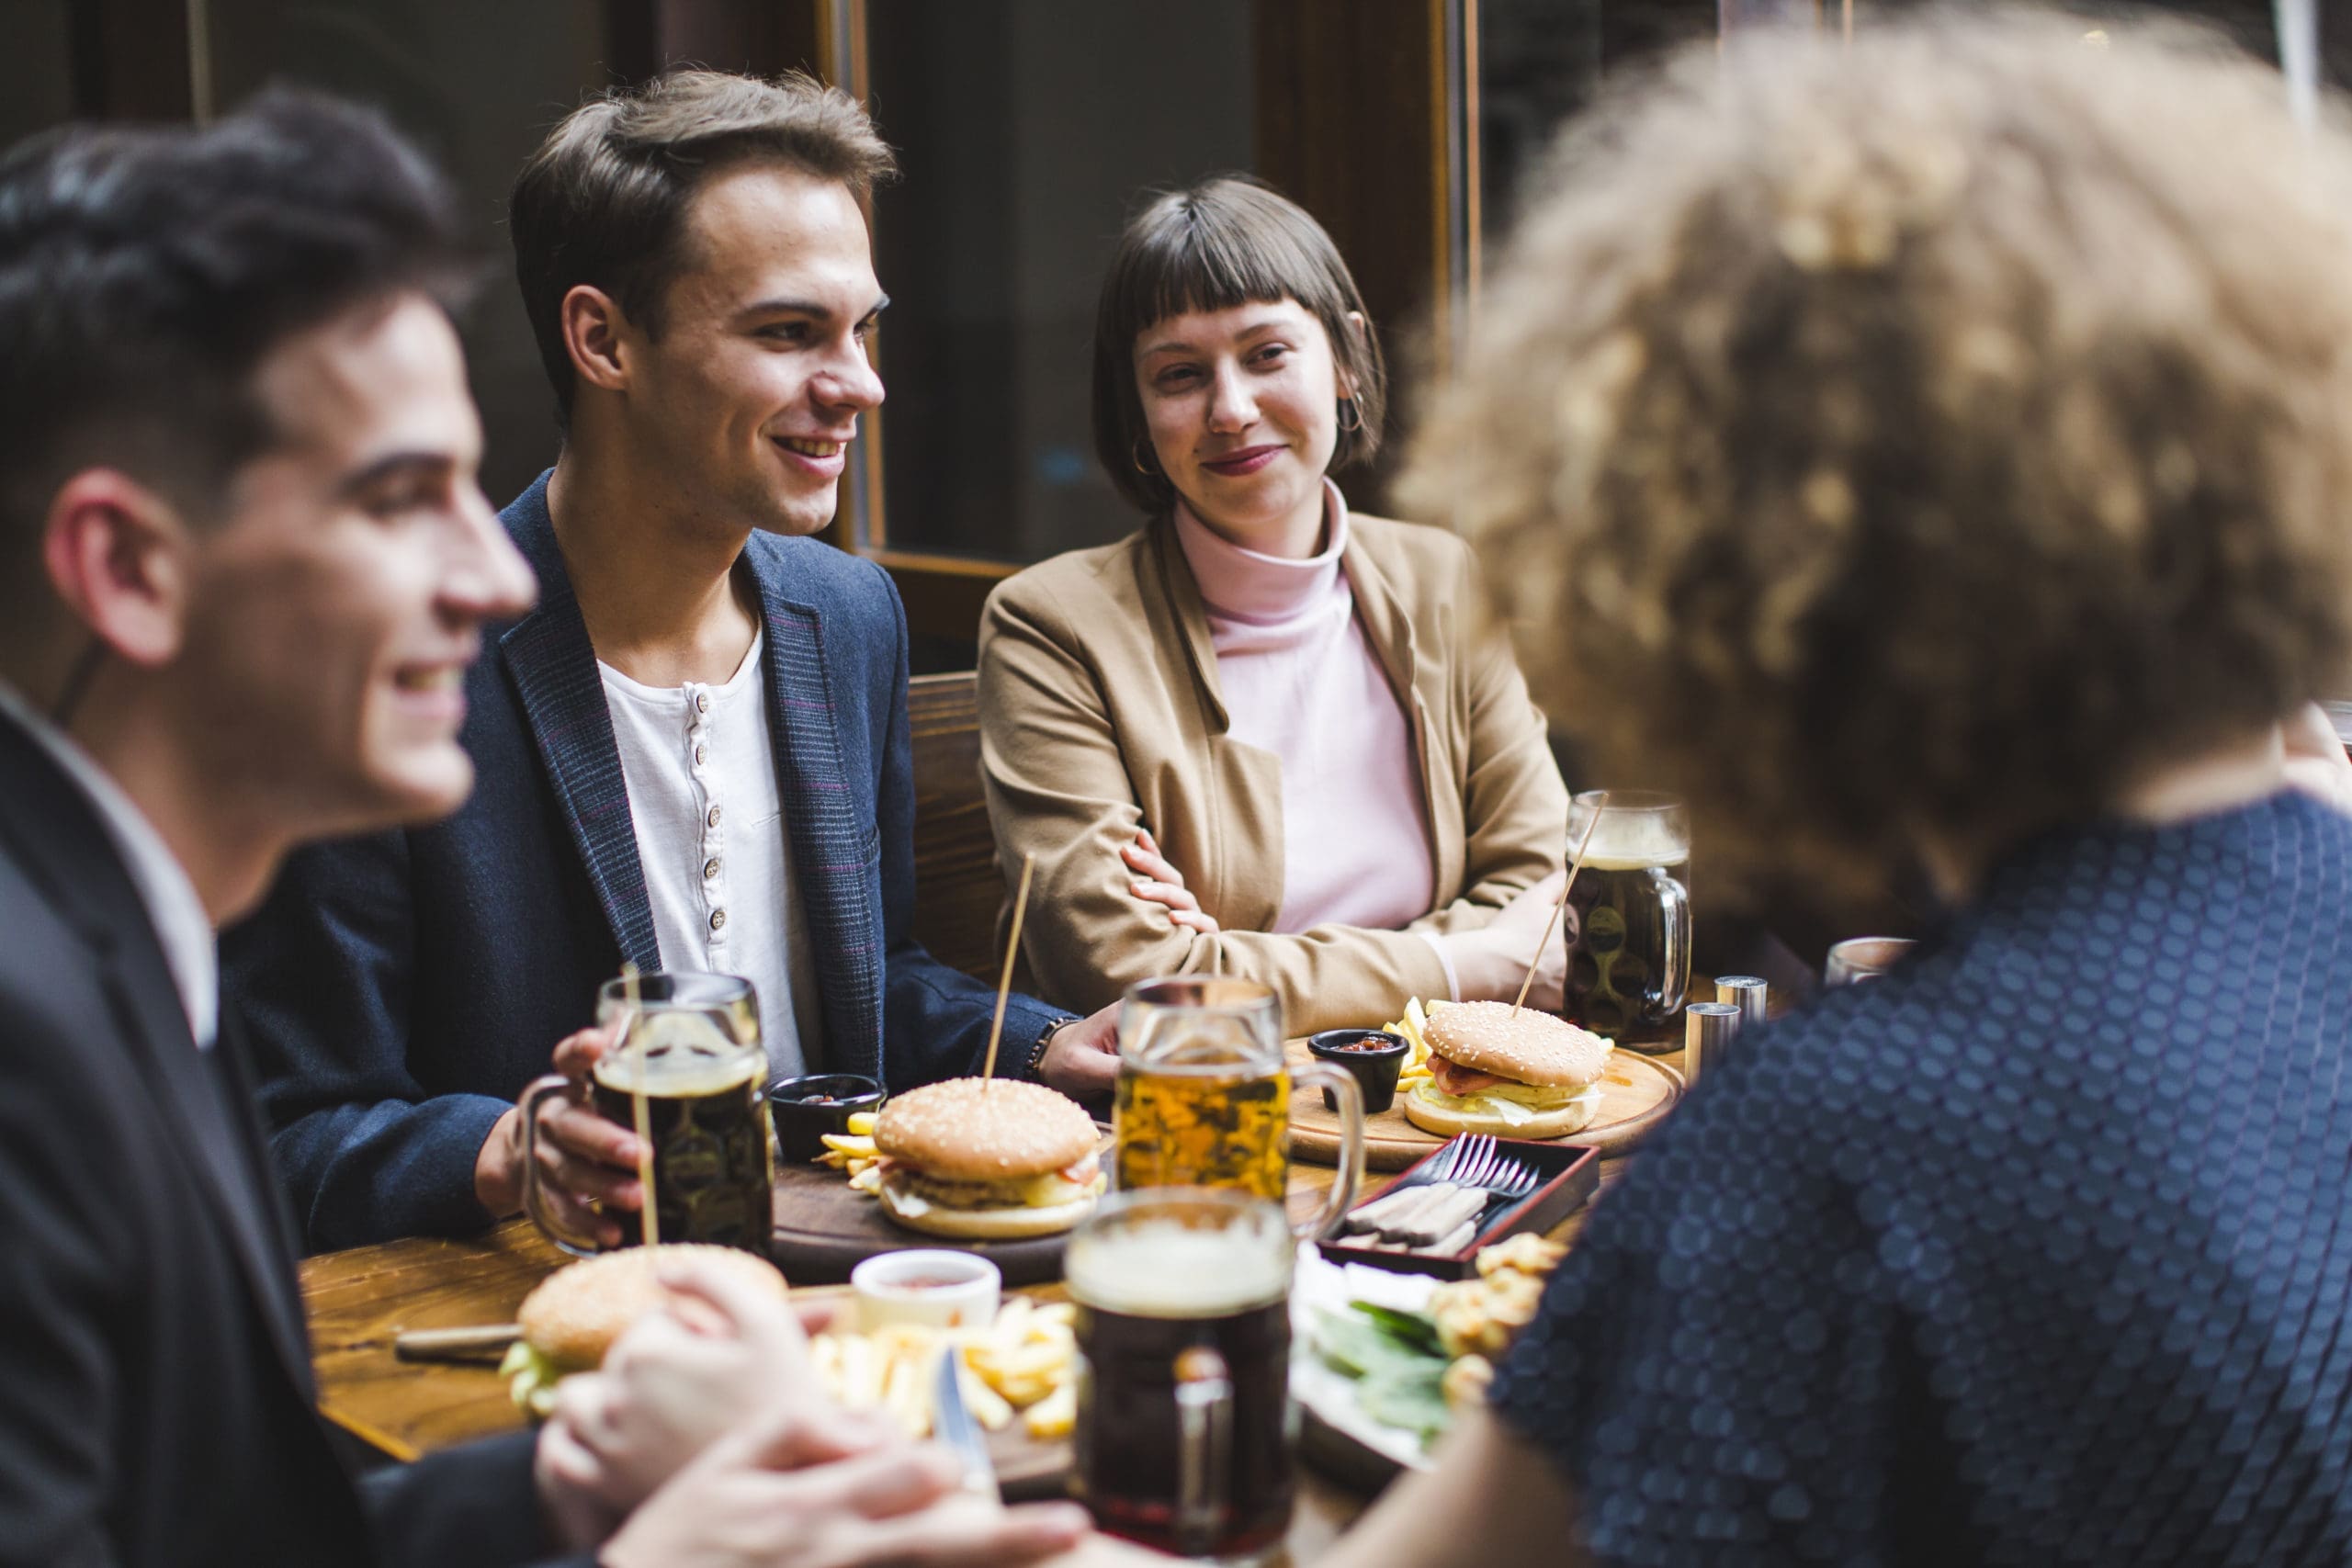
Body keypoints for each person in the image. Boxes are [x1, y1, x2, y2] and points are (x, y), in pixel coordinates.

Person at [0, 92, 1086, 1568]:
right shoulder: (33, 1034)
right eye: (399, 497)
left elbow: (226, 1528)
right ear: (126, 567)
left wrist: (567, 1493)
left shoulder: (118, 943)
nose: (489, 570)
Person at [222, 70, 1122, 1254]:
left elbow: (867, 982)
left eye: (862, 330)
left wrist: (1046, 1045)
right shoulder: (387, 670)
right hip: (549, 1331)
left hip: (861, 1283)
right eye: (790, 332)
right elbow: (290, 1140)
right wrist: (504, 1151)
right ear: (602, 340)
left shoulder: (851, 616)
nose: (861, 384)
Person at [977, 176, 1571, 1037]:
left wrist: (1236, 958)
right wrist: (1465, 962)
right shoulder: (1051, 627)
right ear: (1138, 411)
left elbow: (1545, 889)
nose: (1230, 409)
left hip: (1442, 1095)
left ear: (1344, 360)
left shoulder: (1443, 579)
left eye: (1266, 354)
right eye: (1180, 375)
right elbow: (1137, 979)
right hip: (1191, 1120)